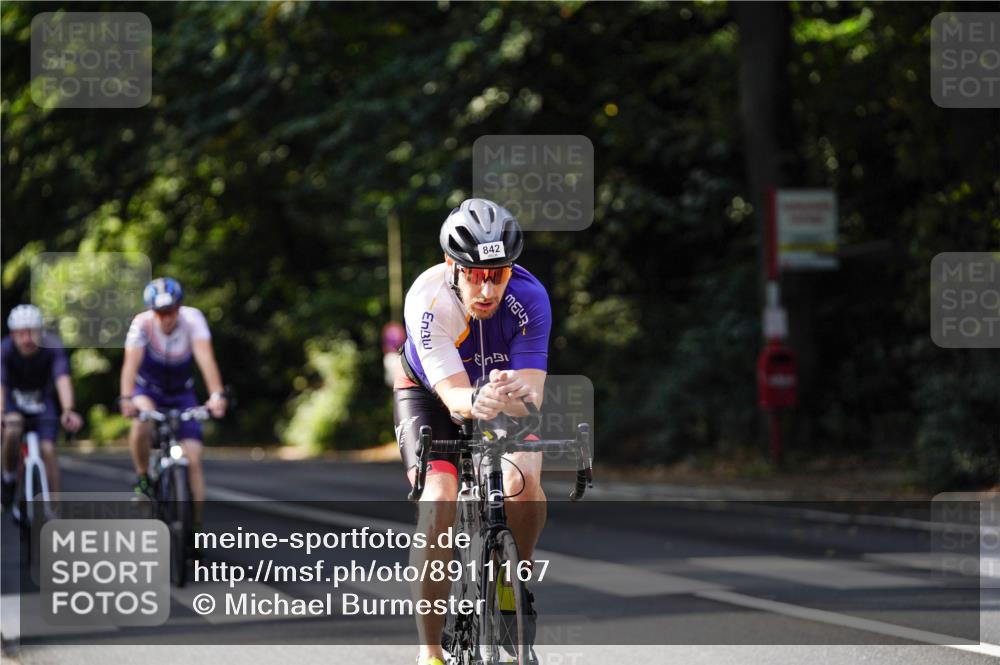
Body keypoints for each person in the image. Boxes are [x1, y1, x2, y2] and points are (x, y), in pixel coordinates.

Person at [394, 198, 551, 665]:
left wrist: (514, 391)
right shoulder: (427, 300)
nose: (486, 289)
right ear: (452, 266)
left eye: (498, 275)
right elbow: (454, 396)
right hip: (431, 396)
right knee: (438, 501)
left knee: (522, 478)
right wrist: (477, 400)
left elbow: (534, 396)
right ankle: (430, 651)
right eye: (475, 275)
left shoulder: (531, 298)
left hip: (498, 395)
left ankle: (511, 583)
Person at [119, 278, 227, 527]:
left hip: (182, 393)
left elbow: (206, 359)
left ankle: (197, 527)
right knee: (142, 423)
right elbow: (130, 366)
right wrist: (126, 399)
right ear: (152, 311)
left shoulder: (193, 320)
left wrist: (217, 395)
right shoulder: (142, 324)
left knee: (194, 461)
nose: (167, 318)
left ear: (179, 307)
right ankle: (143, 478)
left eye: (171, 311)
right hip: (149, 390)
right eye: (160, 313)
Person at [0, 304, 83, 510]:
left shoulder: (52, 346)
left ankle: (55, 509)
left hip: (42, 403)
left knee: (48, 450)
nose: (27, 339)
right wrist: (1, 412)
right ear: (13, 334)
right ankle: (9, 478)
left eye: (32, 333)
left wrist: (68, 410)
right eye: (21, 334)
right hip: (12, 403)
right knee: (11, 429)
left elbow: (62, 379)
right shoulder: (5, 349)